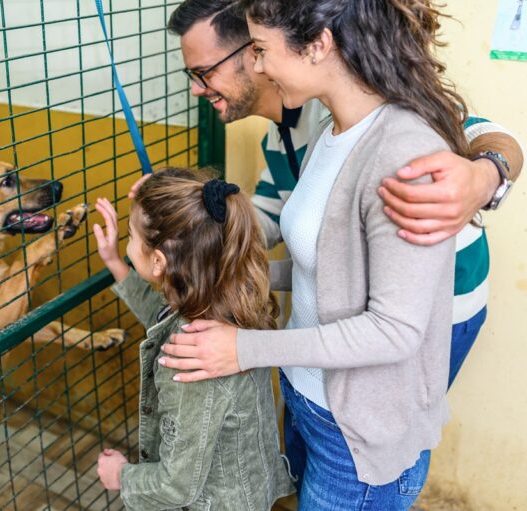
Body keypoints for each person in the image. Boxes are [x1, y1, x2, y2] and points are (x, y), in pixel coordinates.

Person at [153, 0, 484, 508]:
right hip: (312, 394)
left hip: (359, 425)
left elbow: (393, 331)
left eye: (261, 49)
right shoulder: (328, 133)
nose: (258, 65)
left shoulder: (402, 149)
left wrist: (244, 348)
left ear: (317, 45)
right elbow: (325, 260)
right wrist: (227, 271)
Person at [161, 0, 523, 390]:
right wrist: (187, 228)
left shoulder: (351, 111)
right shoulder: (284, 135)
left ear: (254, 50)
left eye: (204, 72)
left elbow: (482, 132)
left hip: (441, 306)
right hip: (349, 318)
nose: (196, 88)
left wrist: (485, 175)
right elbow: (269, 217)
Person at [92, 168, 294, 509]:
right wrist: (115, 261)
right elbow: (163, 318)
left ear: (158, 261)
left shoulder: (191, 360)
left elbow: (176, 486)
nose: (127, 245)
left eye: (130, 236)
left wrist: (121, 476)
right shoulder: (227, 299)